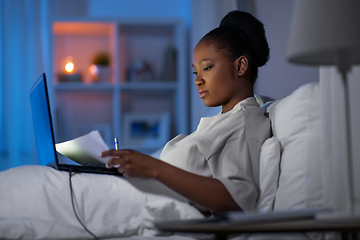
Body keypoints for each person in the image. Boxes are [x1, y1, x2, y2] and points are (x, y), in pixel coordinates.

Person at [101, 10, 271, 215]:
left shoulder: (246, 122)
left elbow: (238, 199)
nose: (198, 80)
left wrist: (154, 168)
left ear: (241, 66)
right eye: (195, 72)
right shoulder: (225, 121)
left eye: (207, 67)